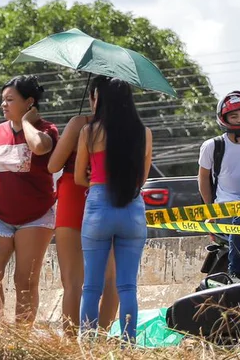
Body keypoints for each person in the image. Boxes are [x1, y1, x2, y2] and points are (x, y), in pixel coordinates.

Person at [0, 75, 58, 324]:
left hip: (35, 217)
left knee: (25, 281)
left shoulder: (47, 130)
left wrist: (27, 122)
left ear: (29, 102)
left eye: (9, 100)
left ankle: (20, 342)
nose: (3, 105)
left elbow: (39, 147)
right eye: (2, 100)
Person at [74, 77, 153, 343]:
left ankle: (87, 345)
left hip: (98, 206)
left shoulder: (90, 132)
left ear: (101, 99)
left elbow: (78, 178)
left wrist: (95, 180)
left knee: (92, 286)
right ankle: (128, 344)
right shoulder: (144, 132)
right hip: (132, 208)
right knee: (128, 286)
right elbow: (142, 179)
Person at [47, 92, 116, 336]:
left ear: (91, 98)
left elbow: (53, 165)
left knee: (73, 281)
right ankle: (101, 341)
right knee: (111, 280)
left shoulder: (80, 123)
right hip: (108, 198)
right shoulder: (128, 128)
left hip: (74, 195)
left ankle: (71, 345)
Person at [195, 91, 240, 279]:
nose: (239, 119)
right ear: (224, 119)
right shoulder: (212, 146)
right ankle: (234, 271)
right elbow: (203, 178)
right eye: (234, 116)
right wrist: (210, 211)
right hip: (225, 207)